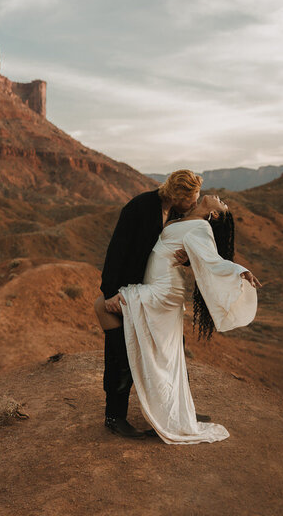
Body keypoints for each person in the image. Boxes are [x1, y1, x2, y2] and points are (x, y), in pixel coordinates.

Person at [117, 194, 260, 444]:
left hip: (165, 289)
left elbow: (212, 262)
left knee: (162, 349)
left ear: (214, 215)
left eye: (222, 204)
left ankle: (162, 413)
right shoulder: (180, 219)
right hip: (158, 281)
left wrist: (240, 270)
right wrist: (186, 258)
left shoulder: (202, 226)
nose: (219, 198)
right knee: (165, 350)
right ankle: (169, 408)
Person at [94, 169, 206, 438]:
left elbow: (178, 250)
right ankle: (114, 416)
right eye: (192, 197)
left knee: (172, 351)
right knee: (120, 353)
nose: (195, 202)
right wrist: (109, 292)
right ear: (178, 195)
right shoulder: (139, 207)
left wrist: (186, 259)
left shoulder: (178, 214)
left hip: (155, 294)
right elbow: (117, 249)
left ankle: (181, 411)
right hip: (127, 291)